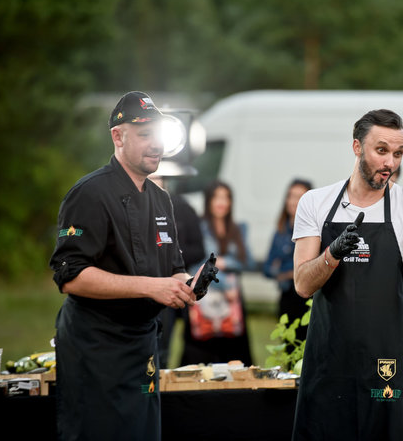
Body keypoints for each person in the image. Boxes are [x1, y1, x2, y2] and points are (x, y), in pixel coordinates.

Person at [49, 91, 202, 440]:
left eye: (159, 136)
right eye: (144, 135)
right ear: (118, 137)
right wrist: (151, 286)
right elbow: (69, 275)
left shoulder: (162, 200)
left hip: (142, 344)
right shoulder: (89, 193)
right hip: (96, 347)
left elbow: (172, 268)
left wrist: (185, 283)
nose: (155, 146)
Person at [291, 109, 403, 441]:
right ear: (356, 147)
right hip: (330, 361)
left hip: (388, 362)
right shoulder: (316, 203)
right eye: (381, 150)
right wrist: (332, 254)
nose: (390, 162)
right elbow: (303, 284)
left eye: (398, 153)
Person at [180, 180, 254, 366]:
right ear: (208, 201)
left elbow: (248, 262)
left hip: (233, 301)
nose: (222, 202)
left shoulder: (238, 228)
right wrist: (226, 281)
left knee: (234, 355)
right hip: (205, 296)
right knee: (201, 357)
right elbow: (198, 262)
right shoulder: (199, 227)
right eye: (217, 197)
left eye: (226, 197)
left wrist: (224, 262)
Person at [149, 174, 206, 368]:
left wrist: (172, 258)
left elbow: (199, 249)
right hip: (135, 289)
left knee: (162, 348)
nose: (152, 181)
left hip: (169, 286)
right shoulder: (127, 205)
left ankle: (161, 389)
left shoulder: (181, 207)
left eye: (156, 177)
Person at [263, 178, 314, 341]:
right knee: (288, 347)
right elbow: (268, 268)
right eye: (291, 196)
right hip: (287, 297)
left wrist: (285, 268)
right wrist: (290, 272)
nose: (293, 201)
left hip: (309, 301)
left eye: (299, 196)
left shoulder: (315, 231)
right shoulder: (280, 232)